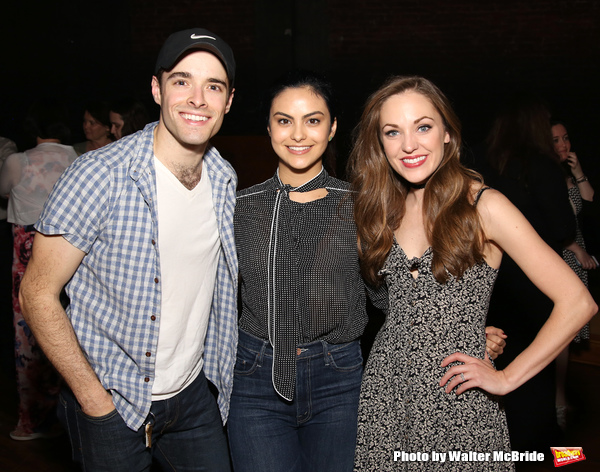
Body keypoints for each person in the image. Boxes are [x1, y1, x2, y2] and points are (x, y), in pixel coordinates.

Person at [227, 71, 506, 472]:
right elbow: (213, 297)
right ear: (268, 127)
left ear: (332, 127)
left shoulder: (362, 207)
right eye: (284, 120)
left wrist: (458, 329)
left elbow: (393, 293)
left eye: (314, 120)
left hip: (338, 380)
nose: (298, 134)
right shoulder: (240, 207)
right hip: (254, 377)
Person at [348, 76, 596, 471]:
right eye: (392, 132)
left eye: (423, 127)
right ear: (380, 144)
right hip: (386, 395)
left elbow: (577, 302)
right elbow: (389, 305)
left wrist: (507, 377)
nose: (409, 144)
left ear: (447, 133)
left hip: (460, 399)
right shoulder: (379, 212)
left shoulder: (484, 206)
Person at [18, 28, 237, 471]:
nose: (197, 98)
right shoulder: (100, 175)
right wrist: (93, 399)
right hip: (114, 399)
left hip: (194, 396)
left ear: (228, 101)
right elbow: (37, 293)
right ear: (157, 89)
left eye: (212, 86)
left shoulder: (224, 178)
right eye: (181, 81)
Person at [484, 94, 580, 456]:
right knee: (537, 365)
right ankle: (542, 448)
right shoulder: (540, 166)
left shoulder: (488, 166)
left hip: (494, 284)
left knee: (502, 356)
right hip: (535, 282)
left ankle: (506, 444)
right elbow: (562, 226)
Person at [0, 100, 76, 440]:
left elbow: (3, 191)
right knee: (69, 330)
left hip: (29, 252)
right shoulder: (77, 158)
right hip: (72, 253)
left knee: (28, 333)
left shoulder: (19, 160)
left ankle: (31, 420)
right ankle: (68, 418)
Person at [550, 119, 596, 427]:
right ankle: (557, 401)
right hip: (558, 254)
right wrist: (574, 248)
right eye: (556, 140)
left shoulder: (566, 173)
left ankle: (559, 397)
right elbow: (548, 221)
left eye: (566, 138)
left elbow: (589, 202)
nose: (563, 144)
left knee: (567, 333)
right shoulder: (543, 175)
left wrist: (578, 172)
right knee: (560, 332)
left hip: (576, 253)